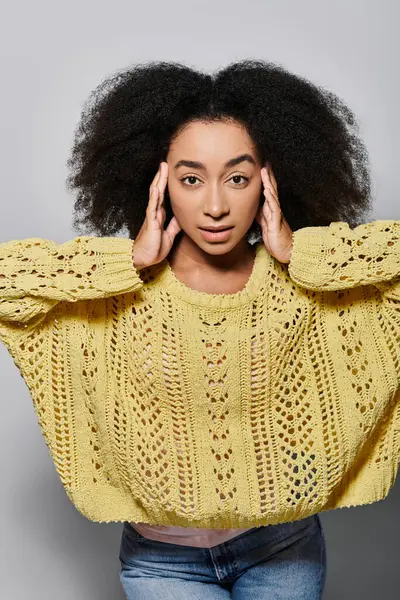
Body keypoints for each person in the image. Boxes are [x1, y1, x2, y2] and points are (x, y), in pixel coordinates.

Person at [0, 59, 398, 600]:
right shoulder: (113, 297)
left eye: (238, 177)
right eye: (191, 179)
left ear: (269, 180)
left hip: (283, 550)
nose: (215, 205)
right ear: (158, 182)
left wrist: (308, 253)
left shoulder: (306, 287)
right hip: (161, 562)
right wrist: (127, 263)